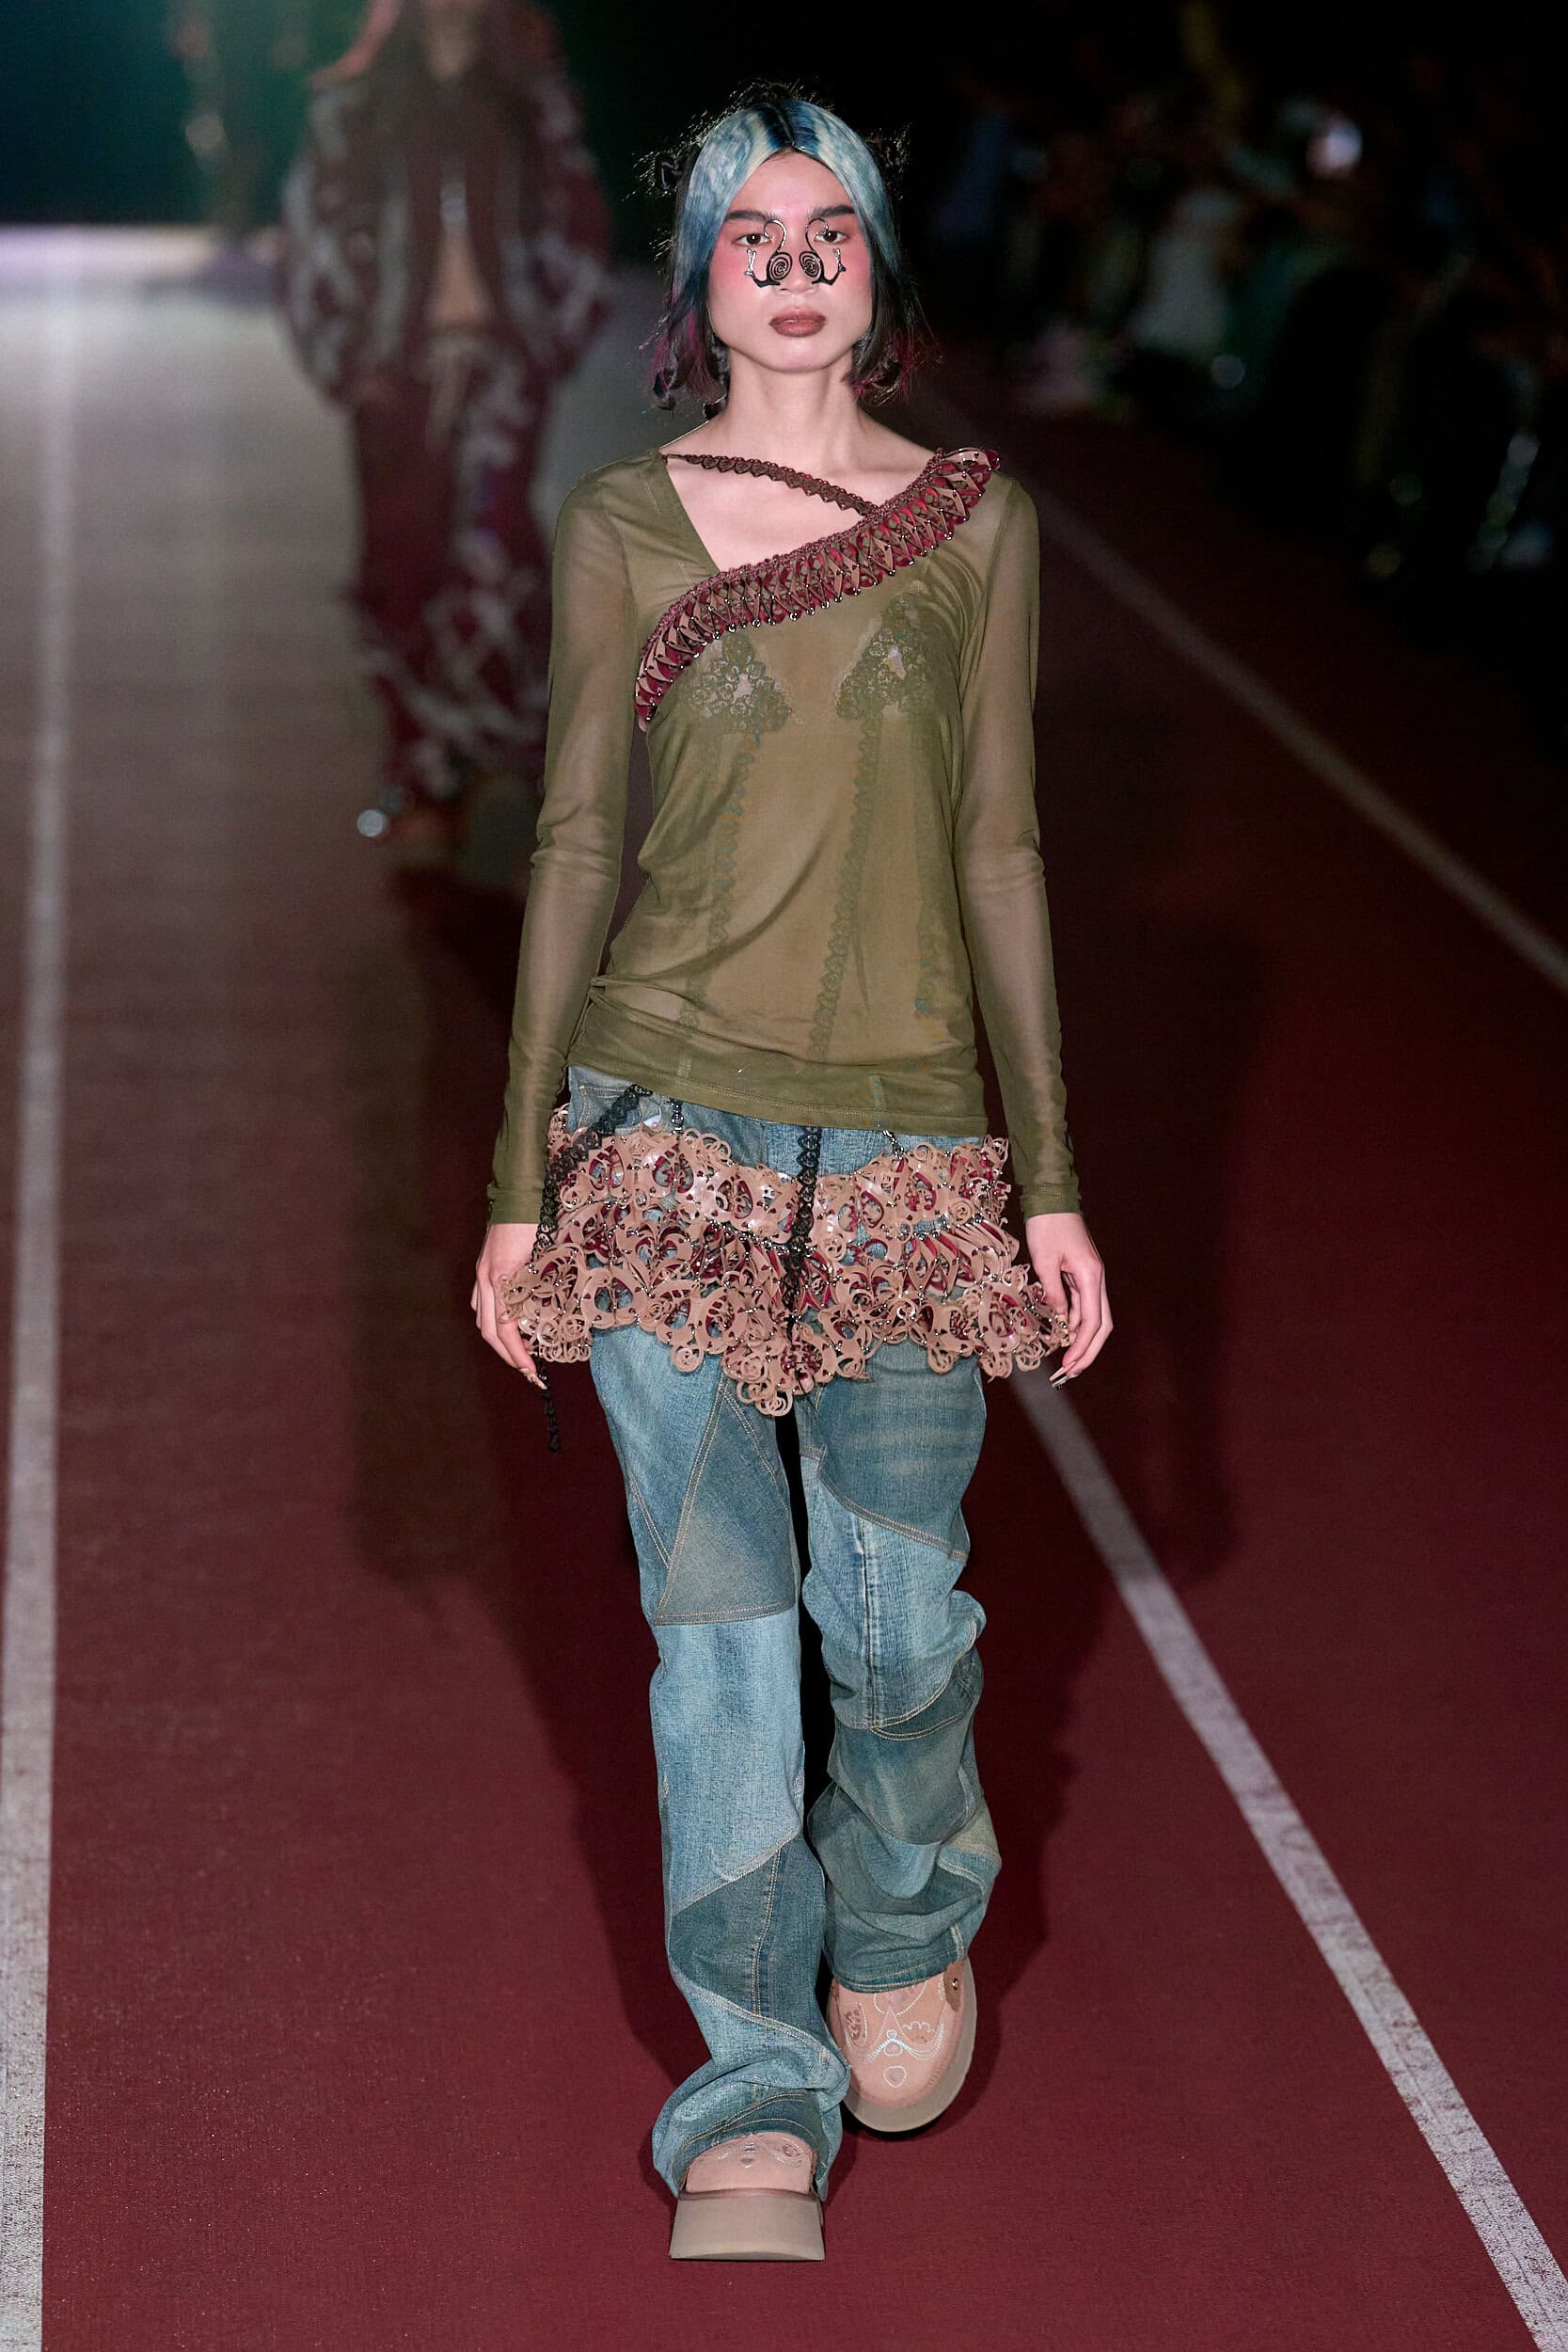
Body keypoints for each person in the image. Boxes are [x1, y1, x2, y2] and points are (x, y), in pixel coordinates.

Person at [472, 90, 1112, 2262]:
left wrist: (1049, 1175)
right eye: (754, 236)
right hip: (660, 1124)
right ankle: (753, 2077)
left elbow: (1000, 846)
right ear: (700, 285)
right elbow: (574, 839)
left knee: (894, 1614)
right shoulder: (621, 522)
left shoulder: (976, 526)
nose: (797, 265)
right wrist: (518, 1179)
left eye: (830, 231)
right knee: (721, 1639)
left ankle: (904, 1899)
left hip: (912, 1143)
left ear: (876, 271)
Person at [277, 0, 611, 873]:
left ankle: (511, 749)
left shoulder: (532, 103)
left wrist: (549, 344)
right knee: (402, 565)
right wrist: (348, 365)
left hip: (501, 372)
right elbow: (311, 235)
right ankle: (426, 774)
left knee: (496, 550)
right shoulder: (351, 109)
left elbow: (578, 219)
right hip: (397, 382)